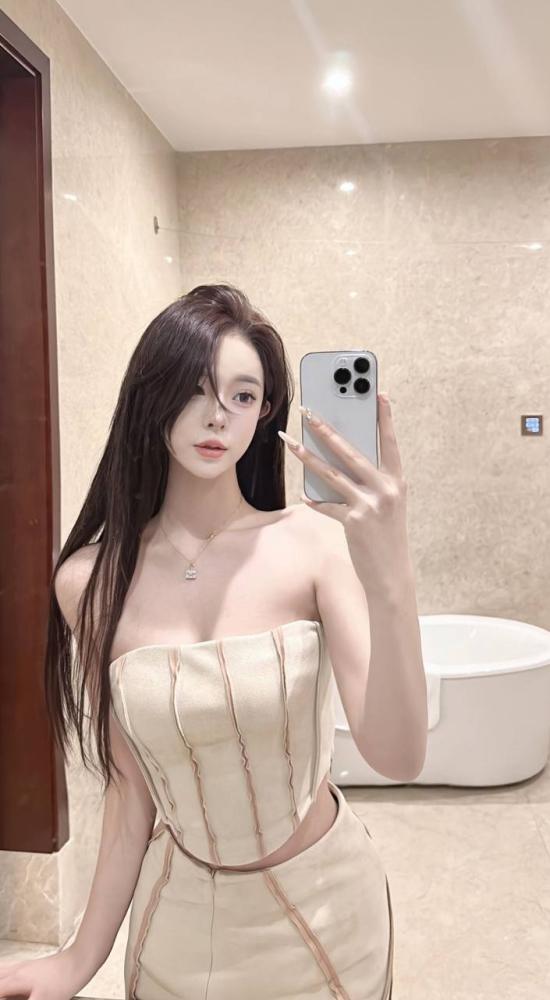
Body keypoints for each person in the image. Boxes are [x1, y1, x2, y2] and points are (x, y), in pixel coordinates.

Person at [0, 283, 396, 999]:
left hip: (330, 918)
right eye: (195, 388)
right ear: (151, 393)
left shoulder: (313, 541)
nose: (217, 415)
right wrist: (76, 961)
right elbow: (130, 790)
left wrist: (391, 569)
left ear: (266, 413)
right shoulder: (88, 581)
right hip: (176, 928)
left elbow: (398, 753)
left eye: (244, 396)